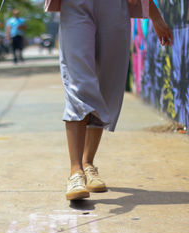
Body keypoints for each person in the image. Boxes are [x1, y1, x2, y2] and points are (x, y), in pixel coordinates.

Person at [60, 0, 173, 200]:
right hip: (76, 5)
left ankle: (88, 164)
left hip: (115, 5)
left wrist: (154, 15)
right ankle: (75, 172)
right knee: (79, 82)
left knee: (106, 86)